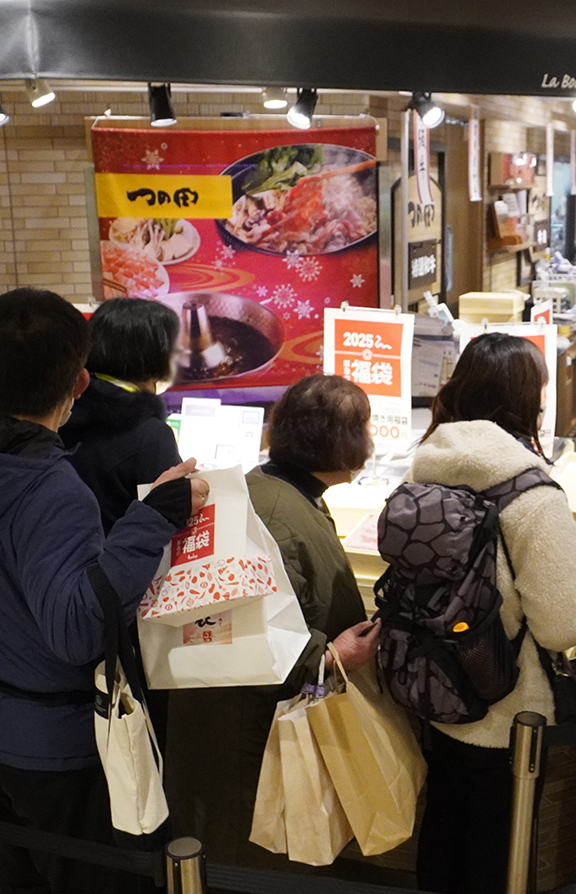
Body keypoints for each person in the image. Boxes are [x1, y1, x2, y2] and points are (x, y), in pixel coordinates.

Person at [0, 288, 207, 894]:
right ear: (78, 383)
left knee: (18, 872)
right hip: (50, 743)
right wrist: (153, 516)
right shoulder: (52, 489)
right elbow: (75, 629)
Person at [165, 374, 380, 875]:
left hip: (221, 724)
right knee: (249, 857)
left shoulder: (259, 490)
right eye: (365, 429)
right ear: (343, 444)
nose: (372, 441)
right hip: (249, 735)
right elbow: (257, 632)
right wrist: (331, 656)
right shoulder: (282, 518)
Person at [411, 334, 576, 894]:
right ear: (526, 401)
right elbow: (565, 625)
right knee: (497, 860)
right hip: (508, 712)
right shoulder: (534, 494)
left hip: (435, 696)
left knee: (441, 841)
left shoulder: (424, 469)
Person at [61, 297, 183, 534]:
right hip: (127, 563)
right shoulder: (150, 434)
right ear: (153, 352)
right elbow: (170, 519)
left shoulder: (60, 411)